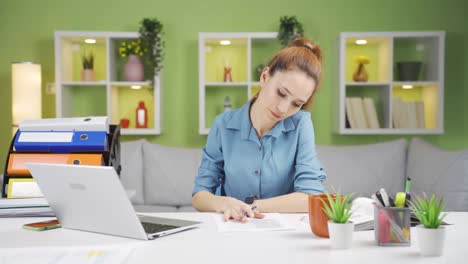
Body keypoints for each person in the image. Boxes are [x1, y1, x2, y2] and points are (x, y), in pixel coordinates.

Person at [192, 38, 326, 222]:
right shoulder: (222, 125)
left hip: (283, 234)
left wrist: (252, 206)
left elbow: (311, 196)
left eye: (297, 104)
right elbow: (200, 195)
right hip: (235, 229)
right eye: (281, 93)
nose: (283, 109)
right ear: (265, 77)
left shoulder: (301, 124)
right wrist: (224, 204)